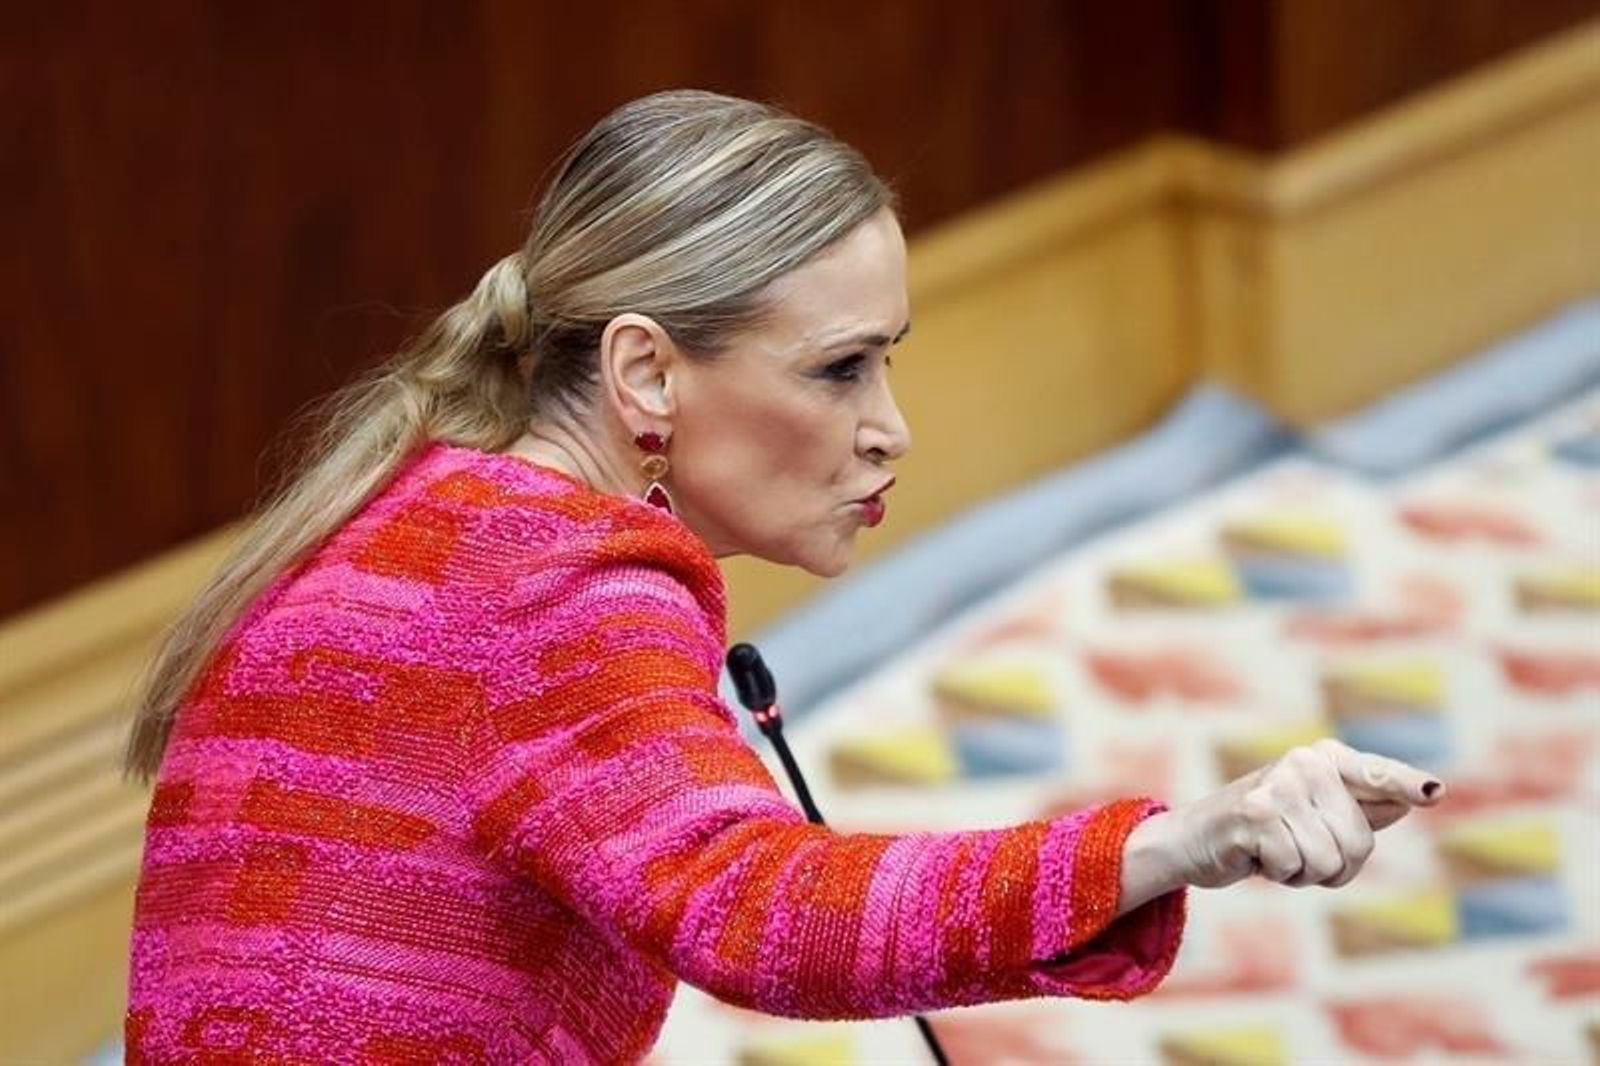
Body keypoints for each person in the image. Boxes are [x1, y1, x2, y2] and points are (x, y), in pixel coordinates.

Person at [122, 90, 1445, 1064]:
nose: (890, 428)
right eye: (838, 368)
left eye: (887, 360)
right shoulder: (566, 592)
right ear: (646, 372)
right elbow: (766, 911)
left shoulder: (422, 508)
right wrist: (1182, 841)